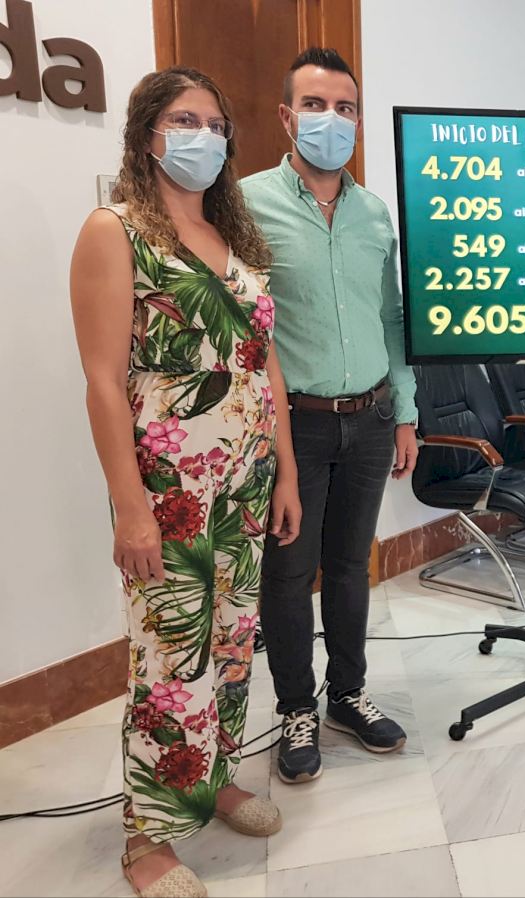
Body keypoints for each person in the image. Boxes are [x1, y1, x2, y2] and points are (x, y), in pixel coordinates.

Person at [70, 67, 301, 898]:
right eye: (182, 120)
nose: (202, 136)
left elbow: (262, 362)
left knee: (233, 643)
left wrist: (285, 470)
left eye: (214, 123)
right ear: (147, 135)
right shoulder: (116, 230)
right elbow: (103, 383)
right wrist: (131, 508)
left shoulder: (233, 237)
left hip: (245, 480)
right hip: (168, 486)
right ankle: (148, 836)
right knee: (170, 654)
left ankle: (215, 780)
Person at [241, 47, 419, 785]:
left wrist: (405, 412)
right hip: (297, 427)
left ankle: (347, 694)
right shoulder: (247, 205)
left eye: (345, 108)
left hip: (371, 417)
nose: (331, 120)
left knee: (350, 566)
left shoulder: (375, 213)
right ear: (287, 116)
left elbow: (393, 316)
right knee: (289, 574)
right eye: (315, 106)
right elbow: (247, 327)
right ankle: (295, 709)